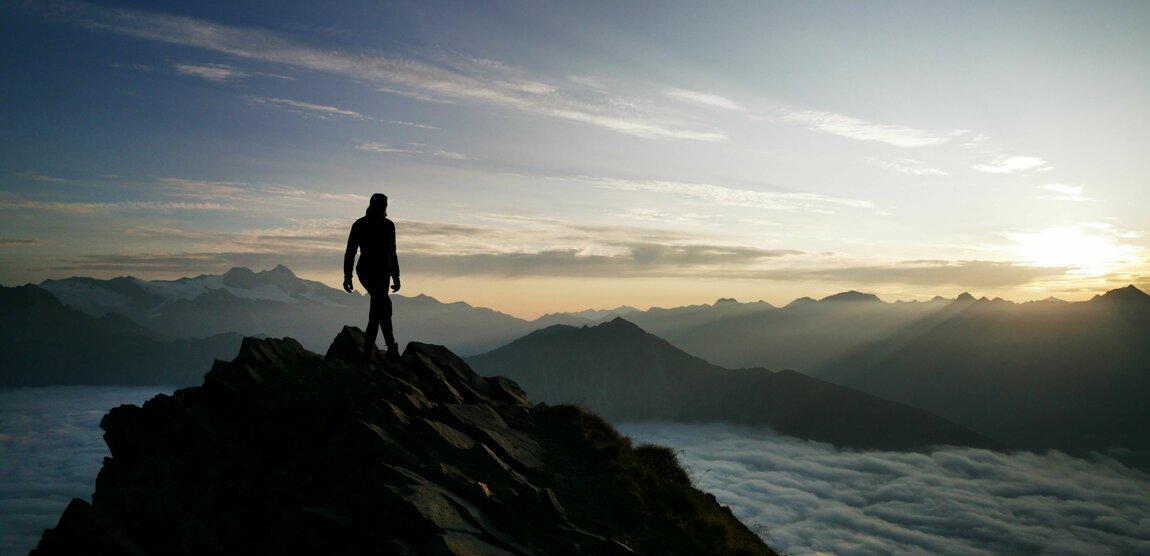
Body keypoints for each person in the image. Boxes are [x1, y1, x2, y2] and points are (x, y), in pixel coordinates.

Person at [343, 193, 401, 363]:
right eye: (382, 204)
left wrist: (396, 276)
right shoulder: (360, 225)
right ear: (373, 205)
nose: (384, 207)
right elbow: (351, 251)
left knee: (379, 311)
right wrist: (348, 275)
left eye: (385, 204)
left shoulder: (389, 225)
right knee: (383, 305)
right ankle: (387, 349)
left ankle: (372, 352)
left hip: (384, 274)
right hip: (367, 272)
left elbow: (393, 252)